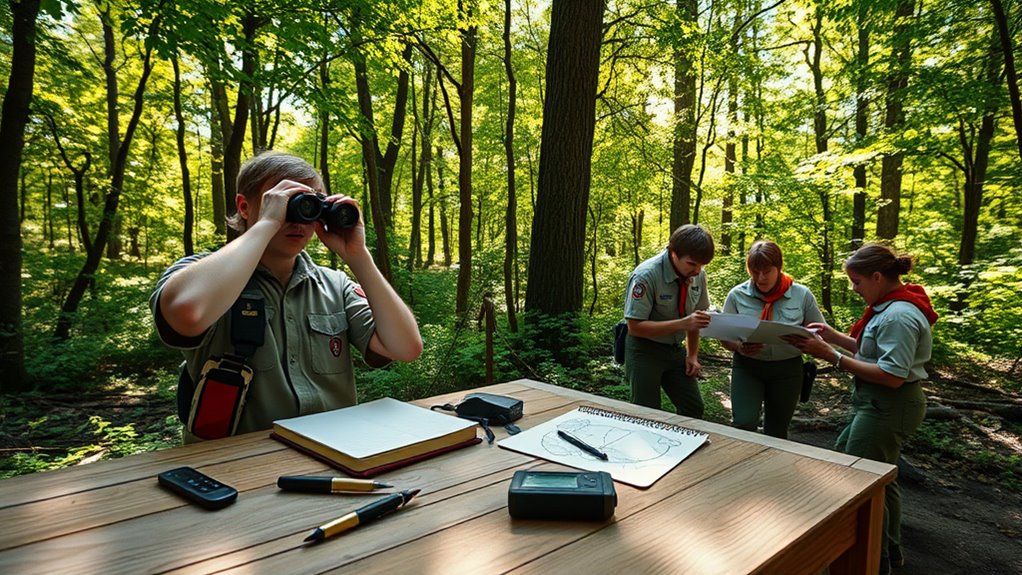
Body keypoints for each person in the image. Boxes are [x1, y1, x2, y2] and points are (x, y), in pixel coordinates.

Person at [150, 151, 423, 442]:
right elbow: (187, 313)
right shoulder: (201, 275)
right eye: (285, 202)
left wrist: (358, 257)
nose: (299, 219)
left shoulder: (335, 286)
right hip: (233, 464)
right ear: (245, 206)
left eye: (311, 205)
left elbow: (406, 347)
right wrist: (267, 225)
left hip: (333, 451)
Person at [787, 243, 937, 575]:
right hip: (876, 403)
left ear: (878, 276)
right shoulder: (890, 306)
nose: (855, 289)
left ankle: (870, 559)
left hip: (889, 405)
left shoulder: (899, 315)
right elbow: (872, 351)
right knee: (880, 476)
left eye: (857, 282)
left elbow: (893, 375)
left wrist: (831, 356)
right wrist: (832, 337)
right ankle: (890, 550)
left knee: (859, 480)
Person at [721, 240, 826, 439]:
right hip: (748, 366)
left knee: (777, 431)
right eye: (754, 271)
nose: (760, 278)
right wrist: (739, 347)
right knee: (744, 423)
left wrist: (808, 343)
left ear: (779, 267)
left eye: (767, 271)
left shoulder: (801, 295)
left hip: (787, 369)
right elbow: (725, 338)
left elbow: (821, 333)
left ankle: (771, 470)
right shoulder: (737, 295)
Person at [622, 224, 714, 417]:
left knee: (693, 408)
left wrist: (692, 355)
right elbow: (635, 327)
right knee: (646, 413)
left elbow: (696, 319)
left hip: (674, 350)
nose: (697, 270)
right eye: (691, 264)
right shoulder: (646, 275)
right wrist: (683, 324)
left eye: (702, 265)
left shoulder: (698, 275)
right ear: (673, 253)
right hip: (643, 350)